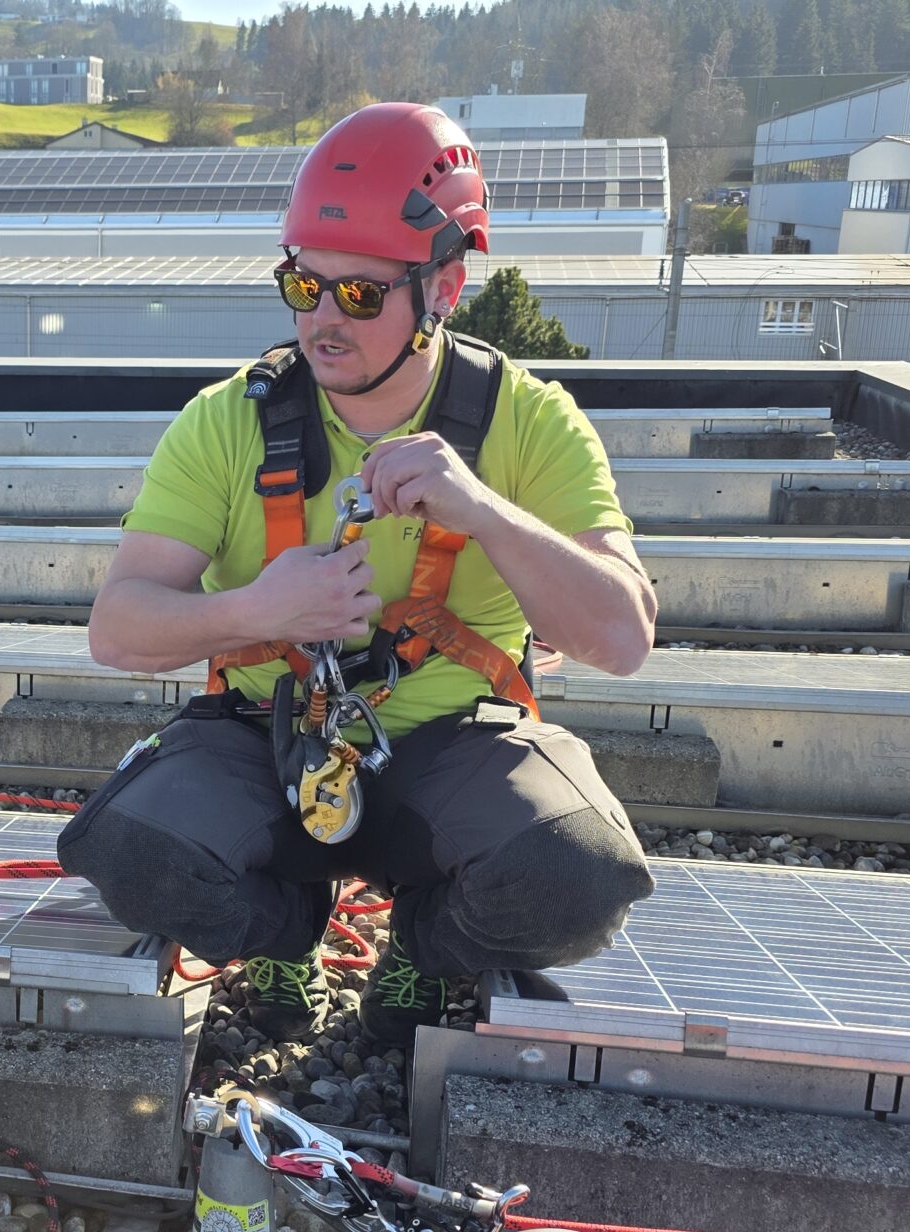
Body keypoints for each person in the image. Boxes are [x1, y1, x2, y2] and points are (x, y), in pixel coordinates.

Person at [58, 104, 657, 1045]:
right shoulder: (229, 421)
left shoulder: (529, 423)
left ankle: (423, 942)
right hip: (267, 737)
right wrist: (259, 607)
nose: (321, 320)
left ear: (446, 288)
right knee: (130, 850)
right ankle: (283, 927)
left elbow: (622, 636)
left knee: (577, 875)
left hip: (451, 747)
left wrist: (484, 512)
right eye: (303, 283)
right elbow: (118, 627)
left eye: (362, 296)